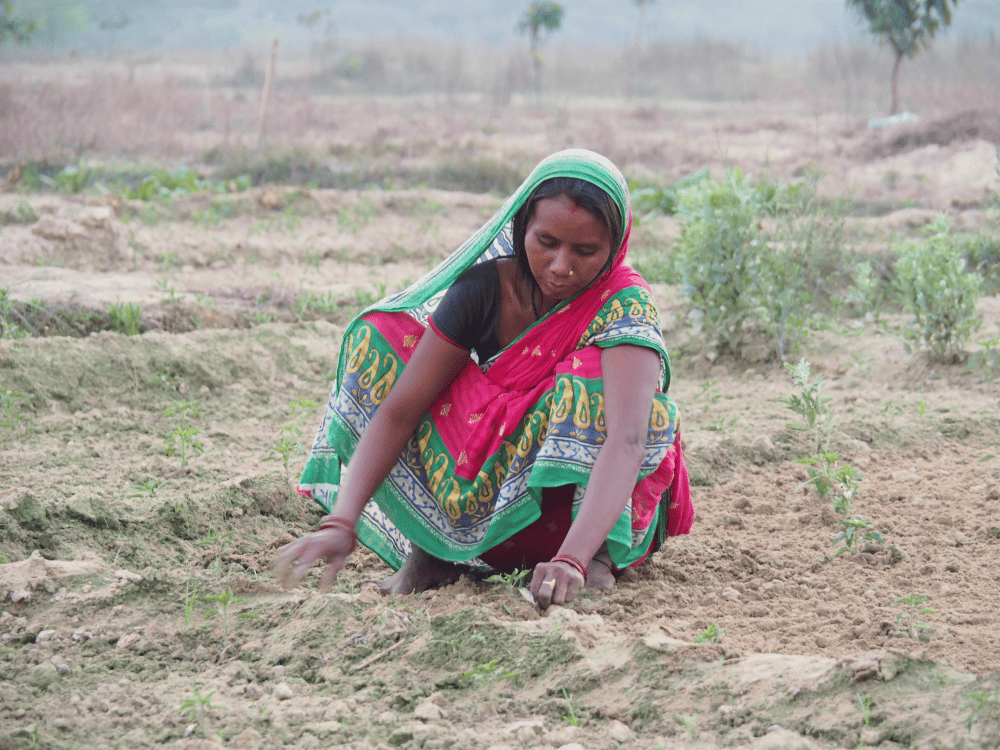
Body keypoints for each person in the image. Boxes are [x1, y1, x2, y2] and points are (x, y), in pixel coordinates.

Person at [274, 149, 692, 610]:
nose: (560, 266)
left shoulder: (623, 306)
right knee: (388, 346)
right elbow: (402, 408)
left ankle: (593, 556)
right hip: (487, 504)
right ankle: (436, 550)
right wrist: (341, 522)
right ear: (520, 230)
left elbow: (629, 440)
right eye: (546, 242)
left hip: (581, 517)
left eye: (585, 251)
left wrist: (573, 557)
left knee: (588, 382)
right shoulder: (484, 289)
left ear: (615, 247)